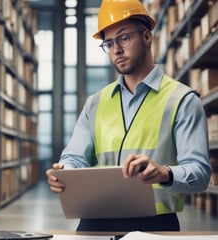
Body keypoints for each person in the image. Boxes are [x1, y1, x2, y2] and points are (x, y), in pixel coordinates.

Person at [46, 0, 212, 232]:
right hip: (95, 220)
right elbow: (75, 156)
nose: (116, 50)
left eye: (124, 38)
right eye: (109, 43)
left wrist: (164, 173)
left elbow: (200, 173)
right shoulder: (95, 103)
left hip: (153, 225)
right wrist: (63, 171)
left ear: (146, 37)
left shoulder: (182, 100)